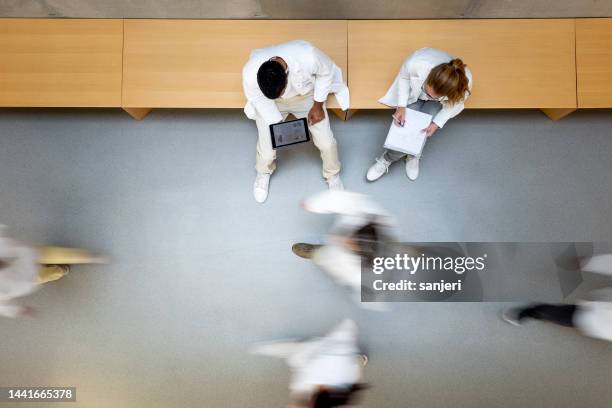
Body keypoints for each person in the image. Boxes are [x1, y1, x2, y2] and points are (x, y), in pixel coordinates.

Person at [243, 40, 350, 203]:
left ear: (286, 73)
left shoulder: (308, 56)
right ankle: (263, 172)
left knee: (326, 142)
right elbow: (258, 98)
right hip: (269, 103)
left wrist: (318, 105)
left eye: (281, 92)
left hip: (305, 96)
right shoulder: (249, 73)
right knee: (267, 150)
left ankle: (332, 175)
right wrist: (276, 123)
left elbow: (327, 71)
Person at [366, 47, 473, 182]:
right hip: (415, 93)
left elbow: (454, 105)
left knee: (422, 130)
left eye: (433, 96)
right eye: (427, 91)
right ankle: (386, 159)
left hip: (439, 102)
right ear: (429, 76)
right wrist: (401, 106)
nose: (428, 96)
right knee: (405, 128)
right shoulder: (416, 64)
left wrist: (436, 123)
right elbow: (404, 78)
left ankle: (413, 155)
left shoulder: (463, 87)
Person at [292, 190, 395, 307]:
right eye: (354, 237)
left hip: (343, 262)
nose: (348, 240)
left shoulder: (362, 272)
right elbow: (342, 199)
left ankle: (317, 253)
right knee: (336, 243)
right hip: (347, 250)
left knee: (328, 259)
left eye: (354, 244)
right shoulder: (365, 213)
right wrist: (313, 204)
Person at [251, 319, 368, 407]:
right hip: (329, 349)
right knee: (300, 355)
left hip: (337, 353)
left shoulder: (336, 392)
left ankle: (354, 356)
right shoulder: (311, 384)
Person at [0, 226, 104, 318]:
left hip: (27, 265)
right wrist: (19, 310)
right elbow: (3, 307)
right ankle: (84, 259)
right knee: (52, 261)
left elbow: (3, 307)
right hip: (27, 266)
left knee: (51, 264)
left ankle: (72, 265)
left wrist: (19, 311)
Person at [501, 289, 612, 342]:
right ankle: (529, 312)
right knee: (557, 314)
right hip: (591, 314)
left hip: (592, 320)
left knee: (563, 315)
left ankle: (534, 312)